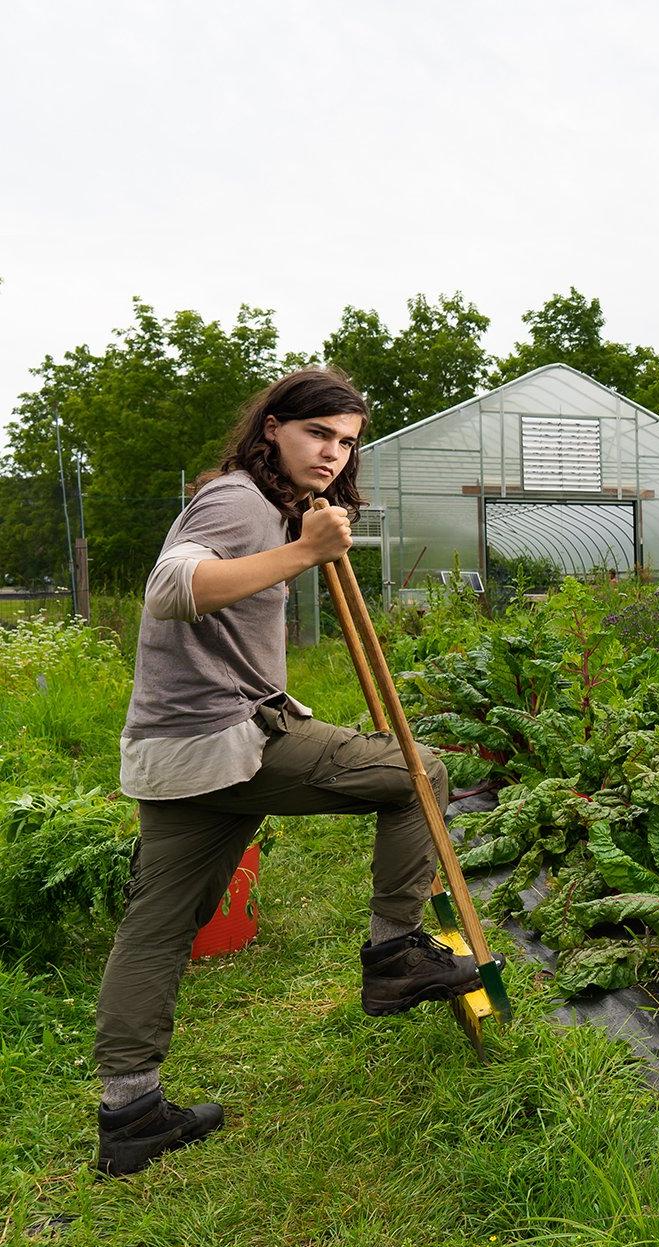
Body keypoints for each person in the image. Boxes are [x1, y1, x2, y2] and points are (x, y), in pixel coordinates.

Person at [95, 367, 480, 1177]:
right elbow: (170, 590)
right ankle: (394, 954)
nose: (333, 454)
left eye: (346, 442)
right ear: (272, 426)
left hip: (171, 752)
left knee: (157, 930)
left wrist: (301, 539)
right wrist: (302, 551)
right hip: (226, 742)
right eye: (318, 434)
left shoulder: (269, 505)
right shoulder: (237, 499)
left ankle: (129, 1112)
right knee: (419, 774)